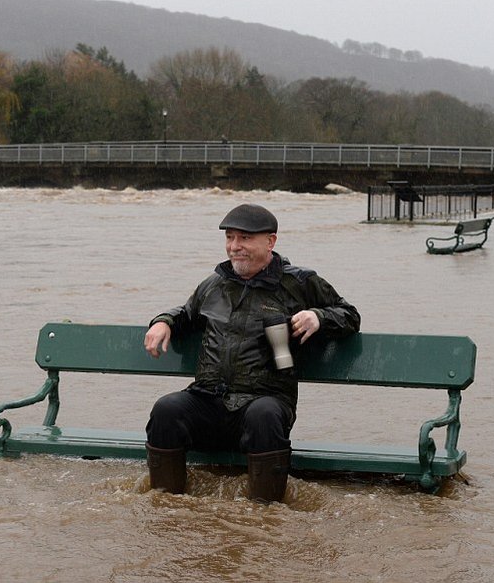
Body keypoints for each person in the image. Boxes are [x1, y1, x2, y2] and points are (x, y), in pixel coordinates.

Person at [143, 203, 361, 502]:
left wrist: (319, 317)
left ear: (270, 241)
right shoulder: (214, 284)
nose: (234, 247)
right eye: (230, 238)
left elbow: (349, 315)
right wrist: (164, 321)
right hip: (208, 399)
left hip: (264, 401)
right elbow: (186, 313)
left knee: (265, 414)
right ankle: (165, 504)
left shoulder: (298, 282)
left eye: (244, 238)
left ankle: (264, 514)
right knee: (166, 410)